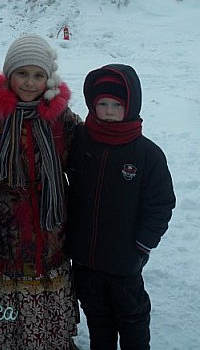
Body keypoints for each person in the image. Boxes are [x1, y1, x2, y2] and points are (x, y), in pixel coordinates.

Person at [0, 34, 80, 350]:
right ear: (9, 75)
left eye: (38, 75)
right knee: (15, 276)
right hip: (10, 220)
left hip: (52, 218)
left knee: (51, 272)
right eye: (23, 73)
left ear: (49, 79)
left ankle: (55, 341)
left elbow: (81, 156)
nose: (30, 83)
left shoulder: (60, 118)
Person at [66, 64, 176, 350]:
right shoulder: (79, 141)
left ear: (131, 105)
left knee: (132, 319)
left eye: (117, 104)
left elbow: (161, 203)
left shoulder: (147, 154)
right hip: (85, 258)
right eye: (102, 104)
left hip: (124, 262)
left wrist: (142, 244)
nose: (109, 110)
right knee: (98, 320)